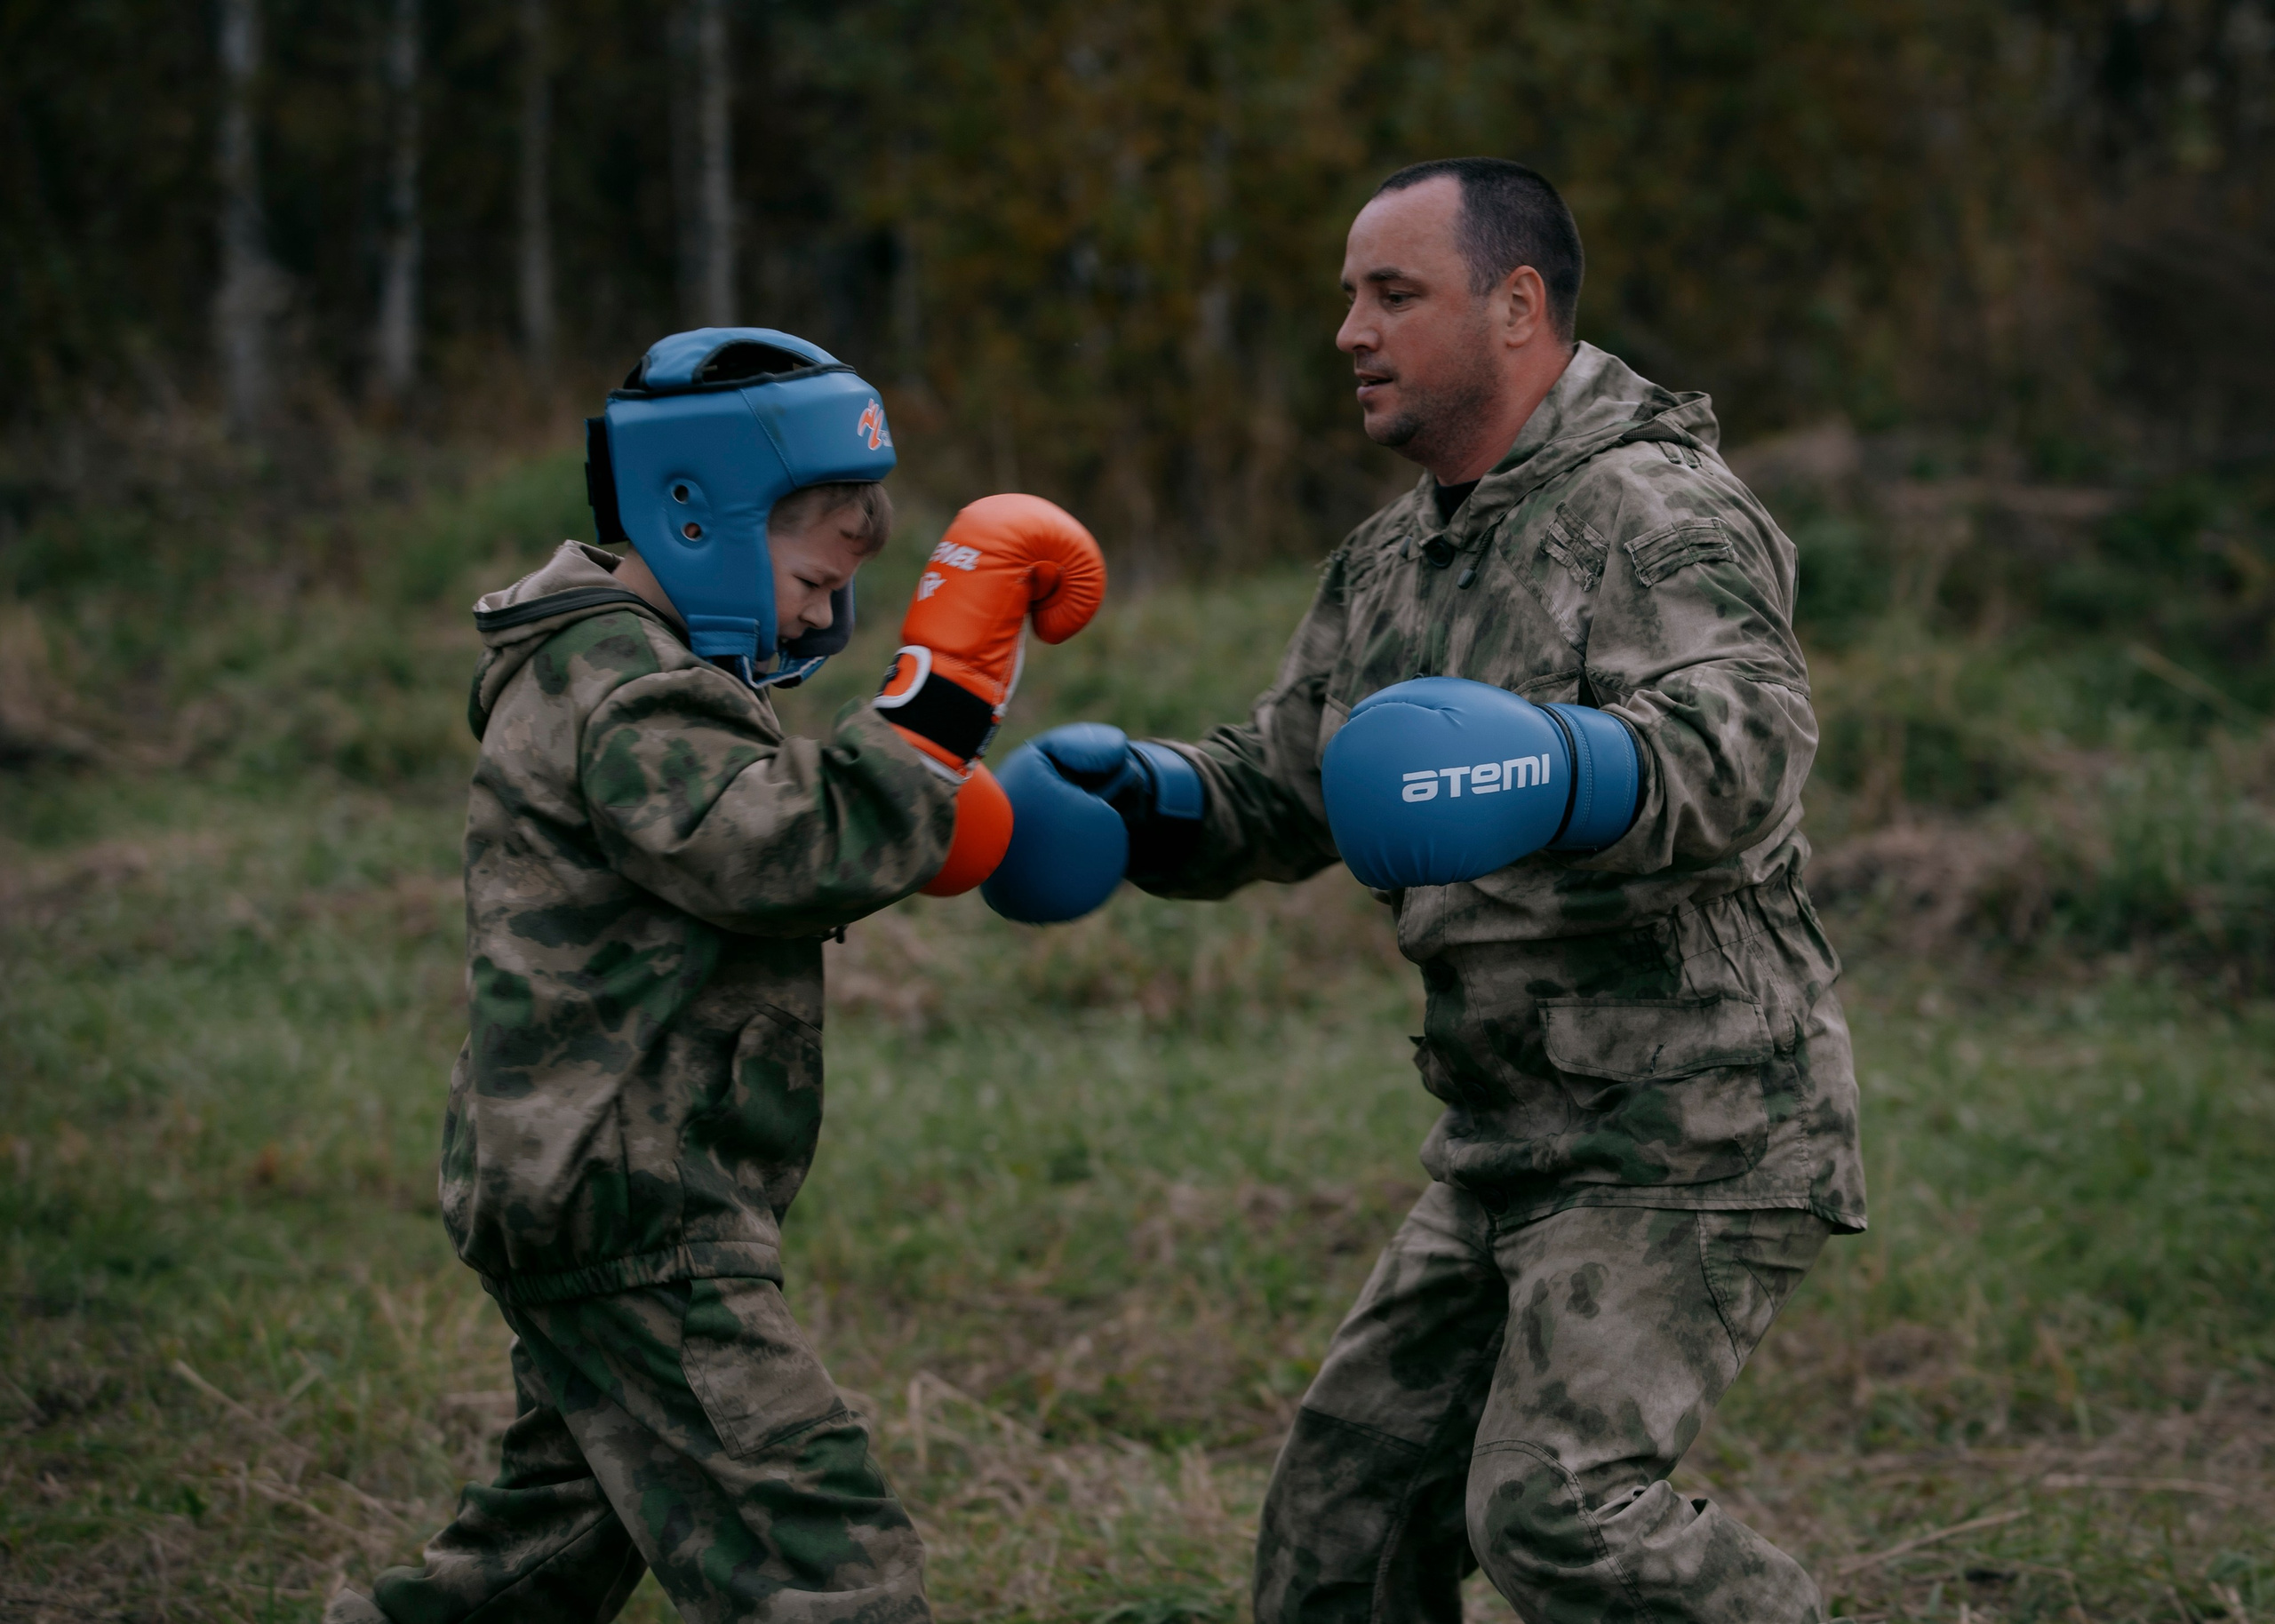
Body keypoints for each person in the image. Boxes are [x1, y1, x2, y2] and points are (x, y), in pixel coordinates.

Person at [986, 162, 1866, 1622]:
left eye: (1393, 294)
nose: (1351, 331)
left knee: (1559, 1511)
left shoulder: (1656, 509)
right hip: (1509, 1131)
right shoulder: (1399, 556)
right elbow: (1296, 783)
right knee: (1340, 1533)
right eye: (1350, 296)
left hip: (1697, 1122)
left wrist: (1561, 767)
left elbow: (1751, 748)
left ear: (1517, 307)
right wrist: (1152, 798)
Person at [328, 327, 1103, 1624]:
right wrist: (935, 714)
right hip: (631, 1198)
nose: (821, 614)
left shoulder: (626, 668)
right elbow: (771, 850)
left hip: (592, 1178)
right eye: (812, 577)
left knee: (533, 1563)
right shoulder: (624, 688)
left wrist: (907, 812)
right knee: (827, 1563)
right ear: (695, 515)